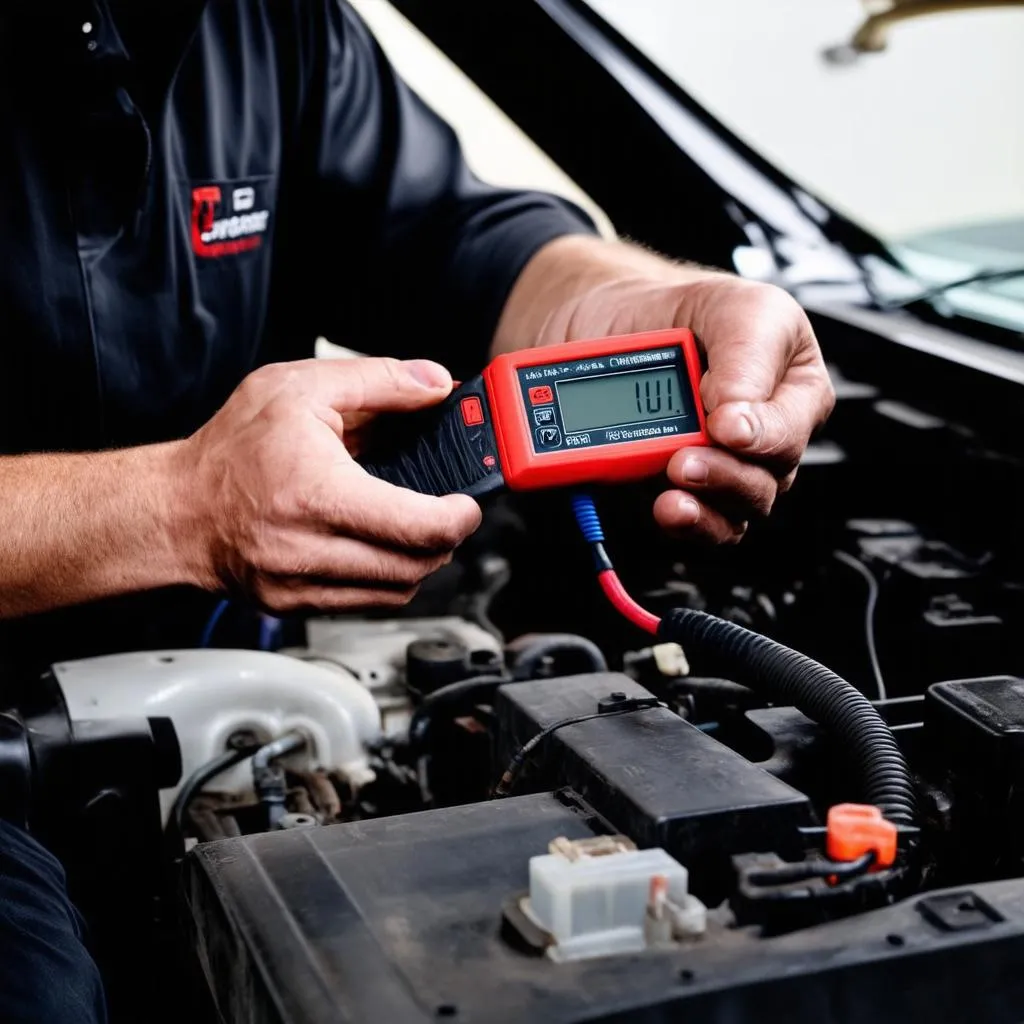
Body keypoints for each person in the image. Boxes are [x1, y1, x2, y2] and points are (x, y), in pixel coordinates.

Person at [0, 2, 834, 1020]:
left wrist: (636, 304)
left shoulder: (267, 26)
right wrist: (174, 506)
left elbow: (456, 237)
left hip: (219, 693)